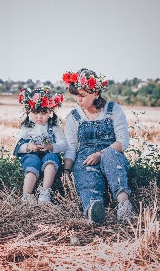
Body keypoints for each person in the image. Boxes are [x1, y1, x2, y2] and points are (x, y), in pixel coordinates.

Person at [62, 68, 132, 224]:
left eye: (82, 95)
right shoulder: (73, 117)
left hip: (110, 152)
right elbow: (71, 147)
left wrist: (100, 153)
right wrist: (66, 170)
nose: (78, 100)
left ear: (96, 93)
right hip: (86, 157)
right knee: (87, 176)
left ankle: (124, 205)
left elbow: (123, 141)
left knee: (112, 160)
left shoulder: (113, 110)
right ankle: (93, 209)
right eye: (76, 95)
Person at [13, 87, 67, 203]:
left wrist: (51, 147)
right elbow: (17, 146)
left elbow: (63, 145)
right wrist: (29, 147)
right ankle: (26, 196)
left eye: (43, 113)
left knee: (51, 160)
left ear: (50, 111)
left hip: (49, 152)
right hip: (31, 154)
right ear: (29, 111)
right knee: (32, 164)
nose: (39, 117)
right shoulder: (27, 127)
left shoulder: (54, 127)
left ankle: (45, 192)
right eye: (35, 113)